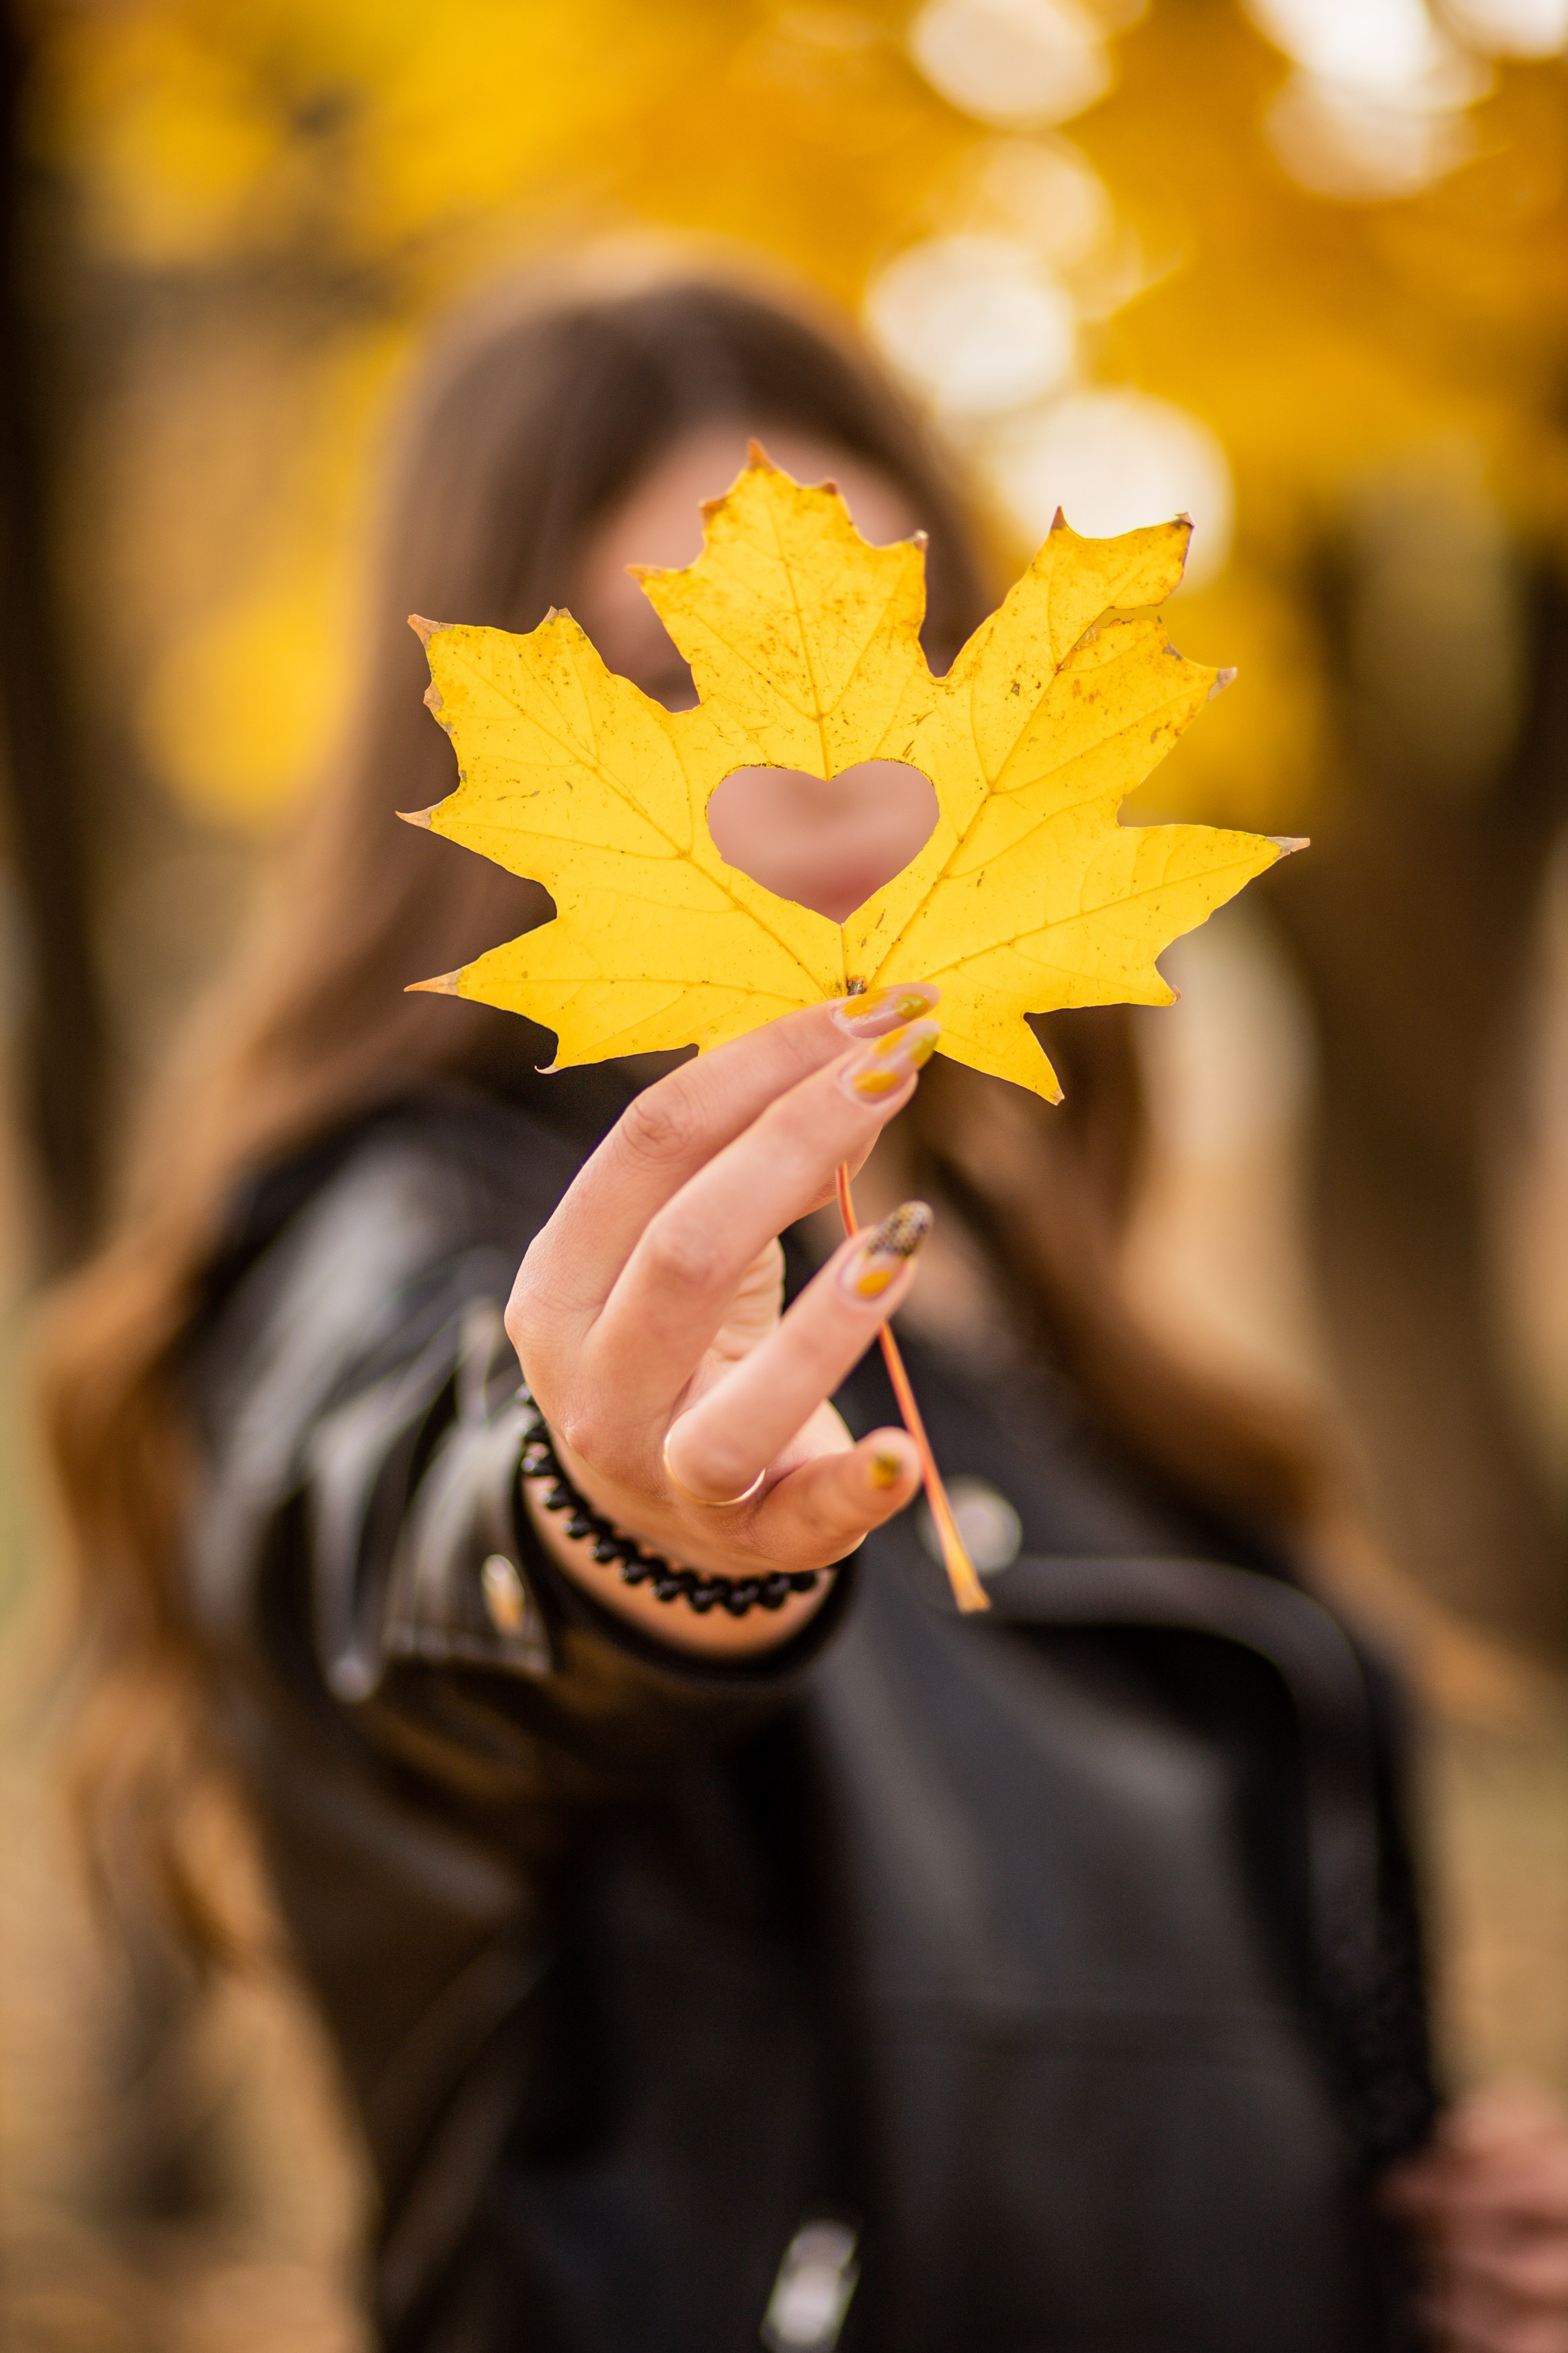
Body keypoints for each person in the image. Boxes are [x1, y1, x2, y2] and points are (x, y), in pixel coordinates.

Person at [43, 257, 1568, 2353]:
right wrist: (611, 1535)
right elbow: (424, 1518)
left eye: (919, 647)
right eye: (678, 673)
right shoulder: (405, 1238)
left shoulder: (1036, 1301)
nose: (840, 780)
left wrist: (1403, 2227)